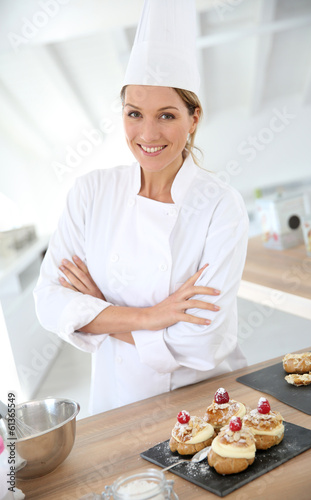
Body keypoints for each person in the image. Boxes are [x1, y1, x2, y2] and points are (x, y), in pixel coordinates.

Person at [33, 0, 249, 414]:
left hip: (206, 402)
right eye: (134, 113)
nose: (147, 134)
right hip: (119, 400)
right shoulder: (92, 192)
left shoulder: (221, 206)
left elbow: (202, 344)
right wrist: (150, 317)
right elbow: (49, 301)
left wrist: (102, 312)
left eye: (167, 115)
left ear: (194, 118)